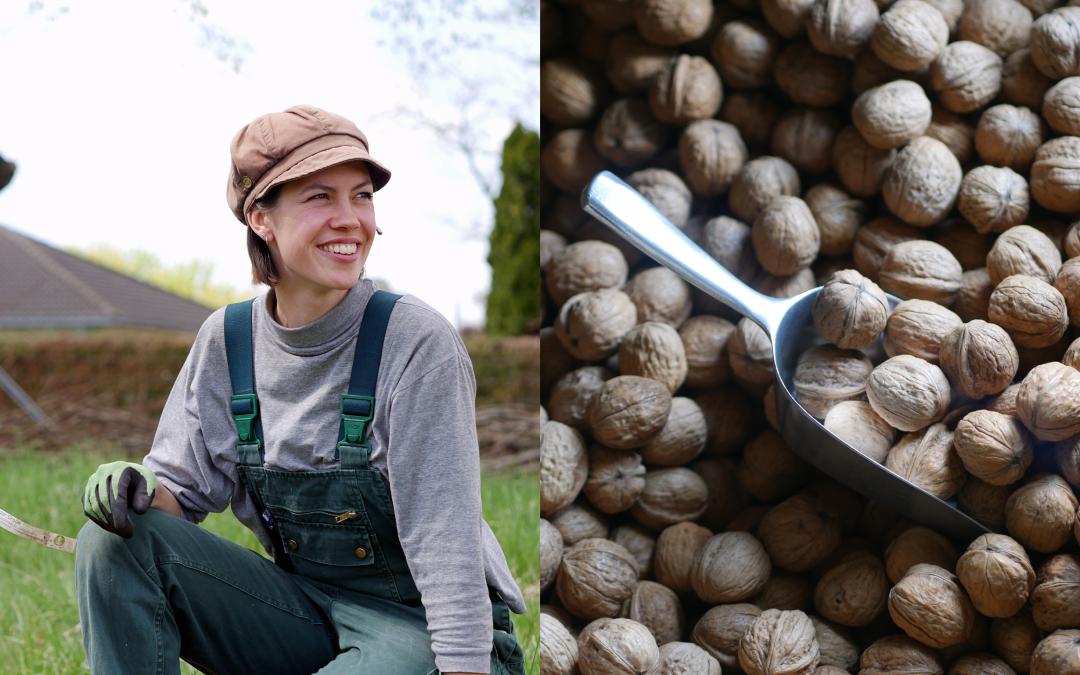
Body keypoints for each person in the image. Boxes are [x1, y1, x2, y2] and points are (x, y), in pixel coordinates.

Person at [75, 105, 526, 675]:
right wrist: (135, 490)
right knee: (113, 541)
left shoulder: (415, 341)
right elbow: (179, 498)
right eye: (320, 198)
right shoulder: (228, 342)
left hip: (429, 637)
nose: (350, 219)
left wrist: (465, 667)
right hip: (308, 615)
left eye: (360, 196)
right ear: (261, 218)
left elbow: (446, 541)